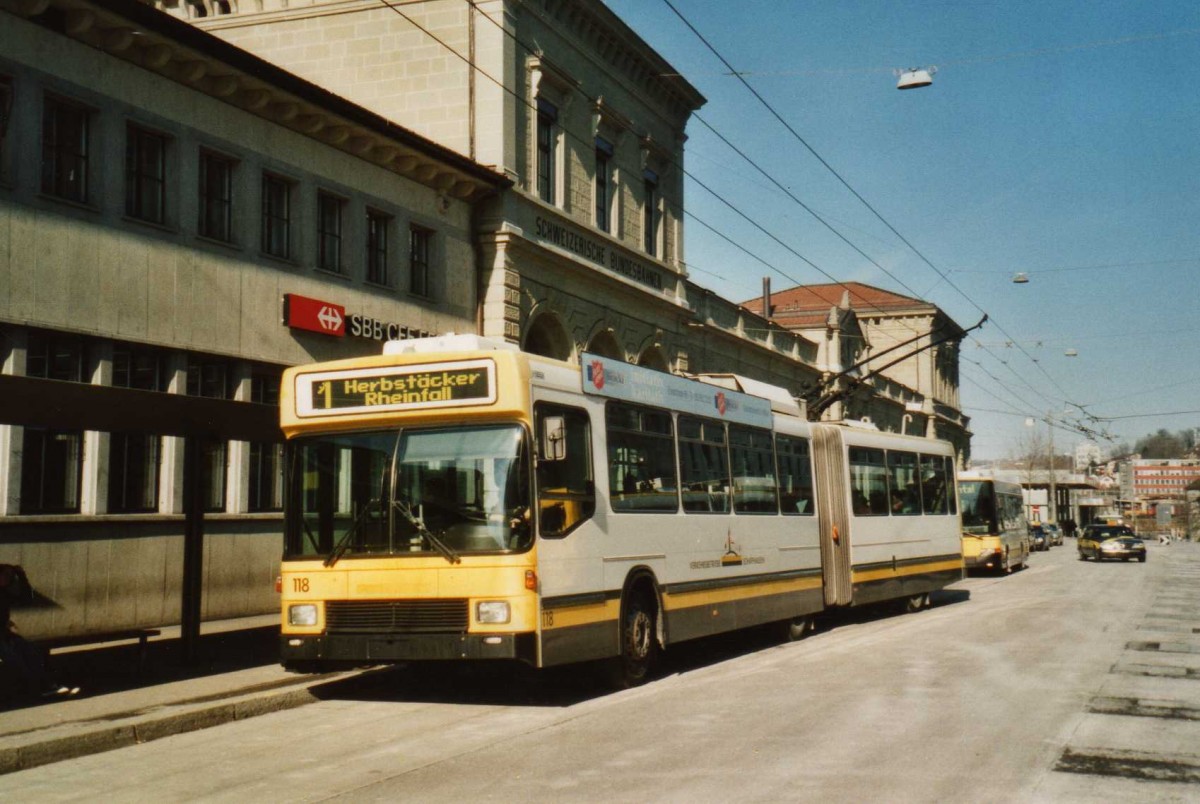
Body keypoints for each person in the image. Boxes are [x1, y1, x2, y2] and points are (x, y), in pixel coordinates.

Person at [1, 564, 79, 703]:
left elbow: (26, 599)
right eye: (5, 576)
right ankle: (36, 690)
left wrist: (22, 577)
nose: (8, 579)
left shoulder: (4, 593)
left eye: (10, 577)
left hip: (4, 634)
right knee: (15, 659)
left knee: (31, 652)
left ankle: (48, 686)